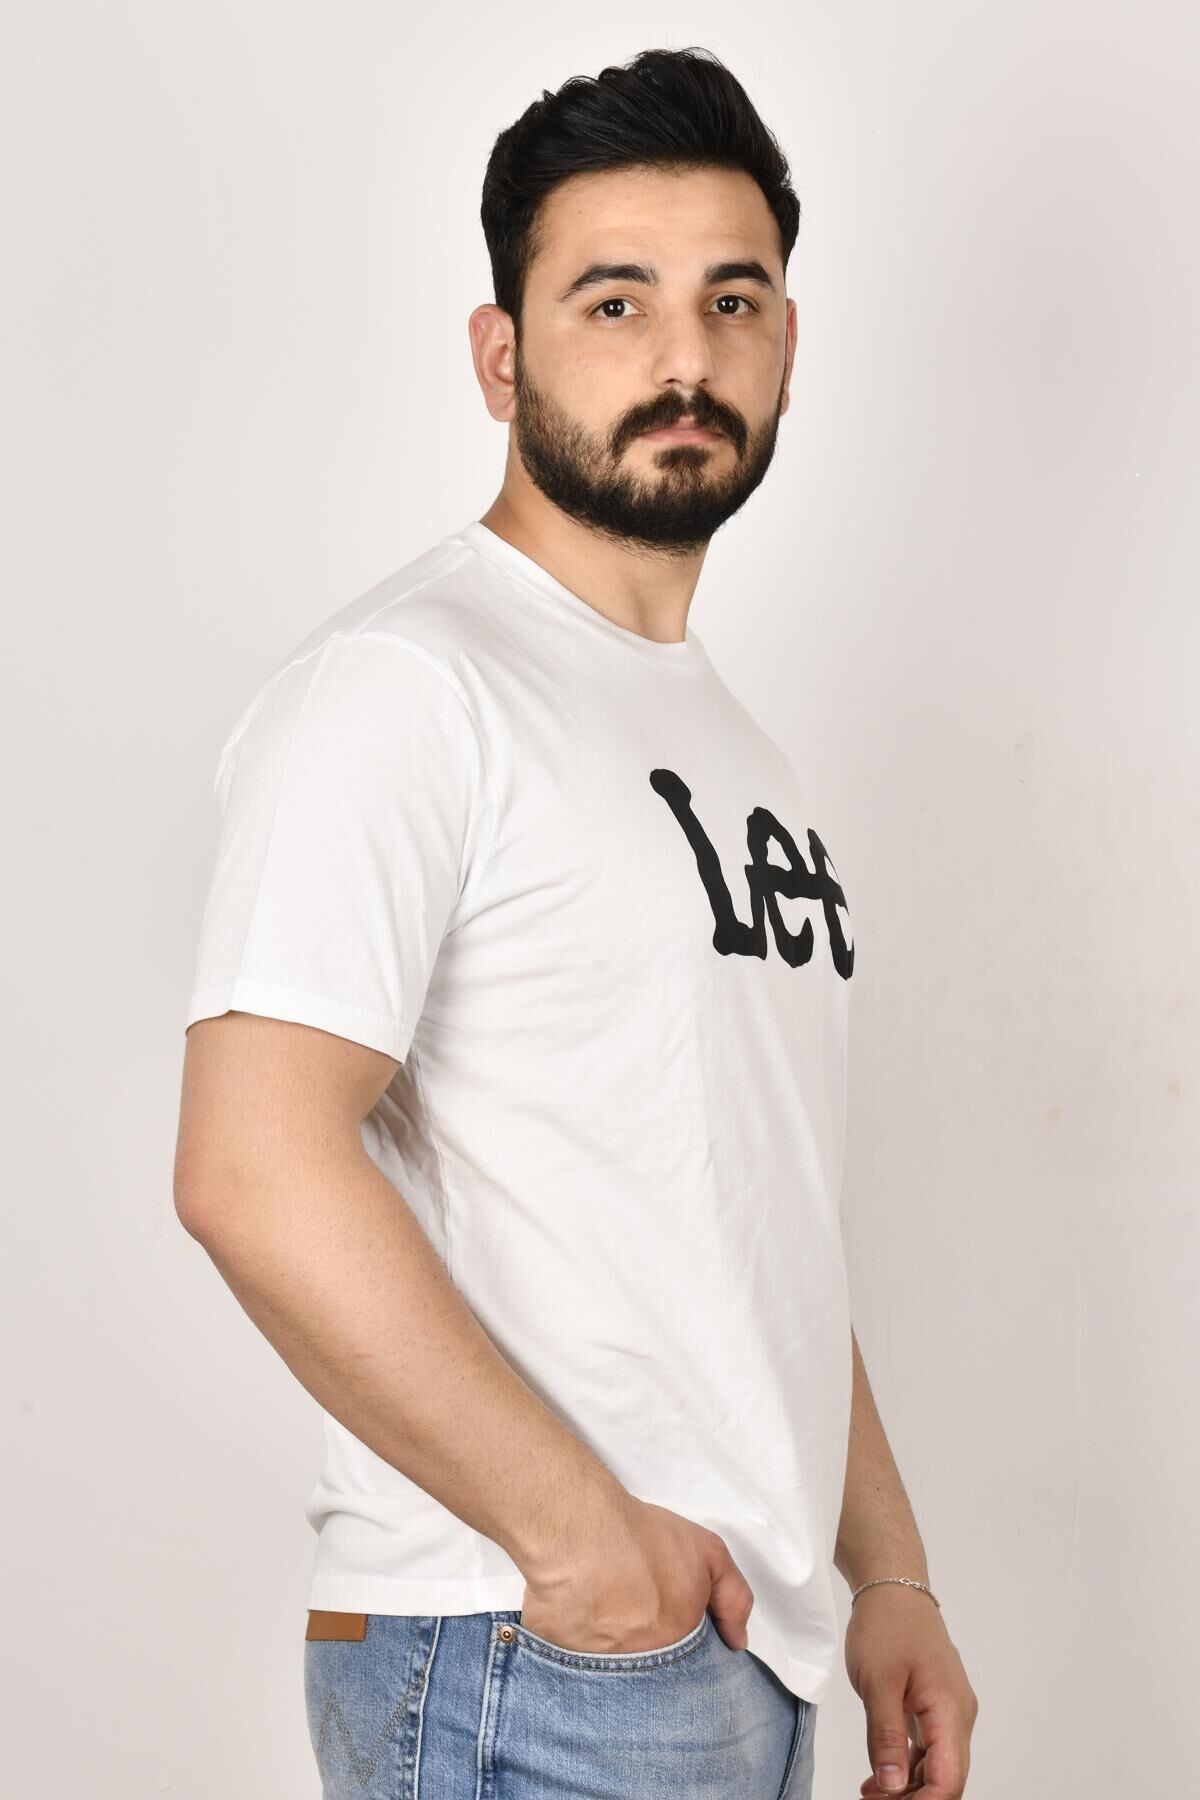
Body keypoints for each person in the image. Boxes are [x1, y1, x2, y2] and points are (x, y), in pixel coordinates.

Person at [174, 44, 978, 1800]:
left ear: (787, 345)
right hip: (528, 1648)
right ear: (501, 355)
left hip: (732, 1651)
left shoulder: (737, 753)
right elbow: (248, 1163)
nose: (684, 357)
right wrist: (583, 1546)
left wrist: (884, 1574)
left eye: (731, 301)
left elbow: (749, 1213)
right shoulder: (406, 686)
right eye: (614, 302)